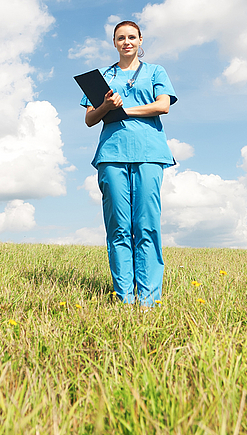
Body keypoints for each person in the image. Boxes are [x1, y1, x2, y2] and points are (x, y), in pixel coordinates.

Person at [81, 20, 177, 306]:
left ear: (140, 40)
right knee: (118, 228)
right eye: (121, 38)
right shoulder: (103, 76)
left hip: (149, 152)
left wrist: (125, 111)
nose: (127, 42)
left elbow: (163, 106)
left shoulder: (155, 71)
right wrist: (106, 107)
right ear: (114, 42)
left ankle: (147, 300)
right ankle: (124, 298)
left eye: (132, 37)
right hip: (111, 155)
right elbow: (89, 118)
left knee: (147, 225)